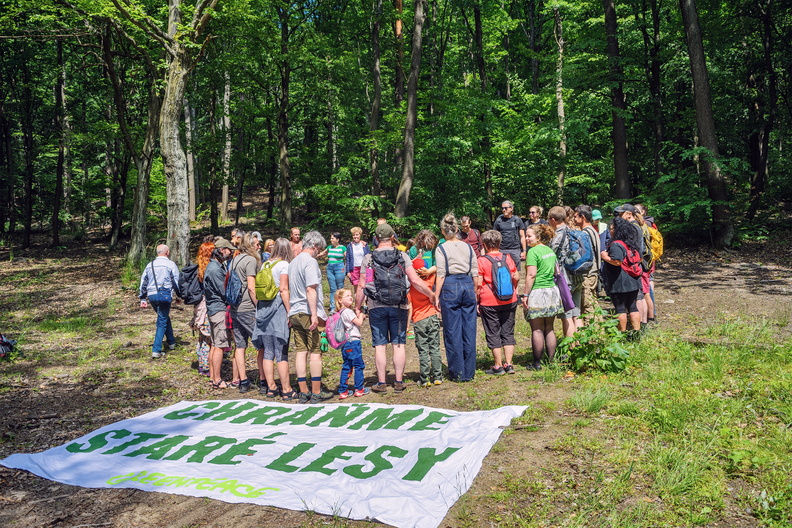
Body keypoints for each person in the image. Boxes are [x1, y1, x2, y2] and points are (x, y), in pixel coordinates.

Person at [356, 223, 436, 392]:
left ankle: (382, 383)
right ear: (392, 237)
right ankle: (399, 382)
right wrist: (431, 294)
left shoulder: (369, 259)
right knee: (398, 344)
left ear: (376, 239)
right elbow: (415, 280)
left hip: (376, 305)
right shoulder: (402, 256)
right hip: (399, 305)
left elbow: (363, 285)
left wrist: (357, 306)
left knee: (380, 345)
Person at [289, 230, 334, 404]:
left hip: (295, 311)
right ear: (314, 245)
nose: (319, 252)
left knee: (301, 351)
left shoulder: (293, 262)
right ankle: (316, 392)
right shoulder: (310, 262)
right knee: (315, 352)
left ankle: (303, 392)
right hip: (307, 311)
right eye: (319, 248)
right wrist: (315, 314)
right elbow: (310, 289)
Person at [251, 238, 297, 400]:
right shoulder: (284, 265)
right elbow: (283, 289)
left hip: (263, 310)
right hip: (278, 311)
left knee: (268, 351)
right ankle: (286, 389)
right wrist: (290, 312)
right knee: (281, 352)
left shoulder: (265, 264)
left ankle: (271, 387)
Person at [435, 213, 479, 382]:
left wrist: (436, 296)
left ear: (443, 231)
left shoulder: (441, 248)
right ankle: (469, 371)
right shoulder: (468, 247)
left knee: (452, 330)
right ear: (456, 230)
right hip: (467, 284)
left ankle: (457, 372)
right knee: (469, 329)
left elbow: (440, 274)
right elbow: (475, 272)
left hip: (450, 285)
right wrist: (475, 291)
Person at [476, 230, 520, 375]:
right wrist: (514, 290)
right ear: (500, 243)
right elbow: (516, 276)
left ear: (484, 244)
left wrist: (477, 300)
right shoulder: (507, 258)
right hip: (510, 299)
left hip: (489, 301)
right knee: (508, 331)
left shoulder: (481, 260)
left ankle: (498, 365)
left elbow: (478, 284)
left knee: (493, 332)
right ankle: (509, 364)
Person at [521, 224, 563, 370]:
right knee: (549, 328)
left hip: (538, 292)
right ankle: (551, 361)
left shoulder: (533, 252)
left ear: (538, 237)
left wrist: (525, 294)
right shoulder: (550, 251)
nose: (526, 239)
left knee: (537, 329)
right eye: (526, 236)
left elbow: (531, 275)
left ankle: (537, 363)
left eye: (529, 236)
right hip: (552, 291)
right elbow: (556, 271)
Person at [408, 231, 443, 387]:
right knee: (435, 347)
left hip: (419, 319)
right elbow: (437, 273)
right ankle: (438, 376)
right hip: (432, 317)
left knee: (423, 349)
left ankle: (425, 379)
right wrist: (429, 273)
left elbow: (409, 306)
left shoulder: (411, 288)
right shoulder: (431, 281)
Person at [229, 232, 262, 394]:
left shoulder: (234, 260)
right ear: (250, 245)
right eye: (256, 244)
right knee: (261, 345)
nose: (259, 246)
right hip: (248, 308)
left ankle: (243, 381)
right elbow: (251, 287)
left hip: (235, 308)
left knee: (240, 346)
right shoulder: (250, 260)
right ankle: (264, 380)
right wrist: (259, 306)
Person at [139, 244, 181, 359]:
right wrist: (179, 295)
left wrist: (142, 298)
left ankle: (171, 342)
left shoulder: (150, 265)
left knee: (164, 317)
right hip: (165, 295)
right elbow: (176, 281)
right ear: (167, 252)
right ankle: (156, 349)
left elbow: (143, 282)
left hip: (152, 295)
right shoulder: (170, 264)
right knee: (162, 320)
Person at [203, 238, 235, 388]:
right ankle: (217, 379)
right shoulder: (215, 269)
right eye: (228, 250)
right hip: (219, 310)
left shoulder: (214, 266)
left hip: (214, 310)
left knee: (215, 344)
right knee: (220, 346)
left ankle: (213, 377)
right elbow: (224, 291)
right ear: (222, 250)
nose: (230, 253)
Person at [601, 217, 642, 332]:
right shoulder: (631, 243)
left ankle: (621, 335)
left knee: (620, 309)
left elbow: (617, 261)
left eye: (611, 228)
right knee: (632, 307)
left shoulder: (616, 245)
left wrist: (605, 257)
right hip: (633, 279)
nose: (610, 231)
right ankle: (636, 333)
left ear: (617, 230)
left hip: (620, 281)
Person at [547, 206, 579, 338]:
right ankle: (580, 344)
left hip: (565, 279)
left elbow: (551, 256)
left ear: (553, 220)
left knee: (567, 316)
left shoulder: (557, 236)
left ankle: (570, 346)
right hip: (578, 276)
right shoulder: (574, 231)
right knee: (577, 314)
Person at [335, 289, 370, 398]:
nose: (350, 297)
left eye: (351, 295)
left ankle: (343, 391)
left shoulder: (340, 313)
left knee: (347, 366)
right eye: (347, 296)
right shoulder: (348, 311)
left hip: (345, 343)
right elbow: (358, 323)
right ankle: (359, 389)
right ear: (340, 300)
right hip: (353, 342)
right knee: (358, 365)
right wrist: (362, 315)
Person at [571, 205, 601, 327]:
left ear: (582, 217)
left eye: (575, 216)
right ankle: (599, 330)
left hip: (587, 274)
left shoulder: (584, 233)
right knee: (593, 302)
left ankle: (592, 333)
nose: (573, 219)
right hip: (594, 272)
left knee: (587, 306)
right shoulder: (593, 230)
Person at [190, 236, 215, 375]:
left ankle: (202, 364)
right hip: (207, 307)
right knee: (208, 338)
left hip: (199, 307)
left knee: (202, 338)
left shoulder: (197, 269)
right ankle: (206, 366)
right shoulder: (209, 270)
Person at [493, 200, 526, 270]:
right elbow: (494, 236)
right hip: (502, 250)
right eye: (502, 208)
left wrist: (524, 251)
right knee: (502, 270)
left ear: (511, 208)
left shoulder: (517, 220)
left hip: (515, 249)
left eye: (506, 208)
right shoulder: (499, 220)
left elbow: (522, 236)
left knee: (515, 271)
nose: (503, 210)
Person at [321, 232, 346, 314]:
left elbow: (348, 257)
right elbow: (322, 254)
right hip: (330, 268)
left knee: (340, 287)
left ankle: (340, 306)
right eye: (331, 238)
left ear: (337, 239)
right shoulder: (329, 247)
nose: (331, 240)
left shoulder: (342, 248)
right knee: (332, 288)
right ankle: (333, 307)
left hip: (339, 268)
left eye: (332, 238)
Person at [345, 226, 370, 298]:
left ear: (360, 235)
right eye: (354, 235)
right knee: (356, 287)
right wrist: (348, 271)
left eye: (357, 234)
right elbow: (348, 259)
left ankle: (365, 303)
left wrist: (370, 269)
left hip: (364, 268)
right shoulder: (350, 246)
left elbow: (369, 257)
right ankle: (357, 303)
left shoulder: (365, 245)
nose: (355, 236)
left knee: (364, 286)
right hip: (354, 268)